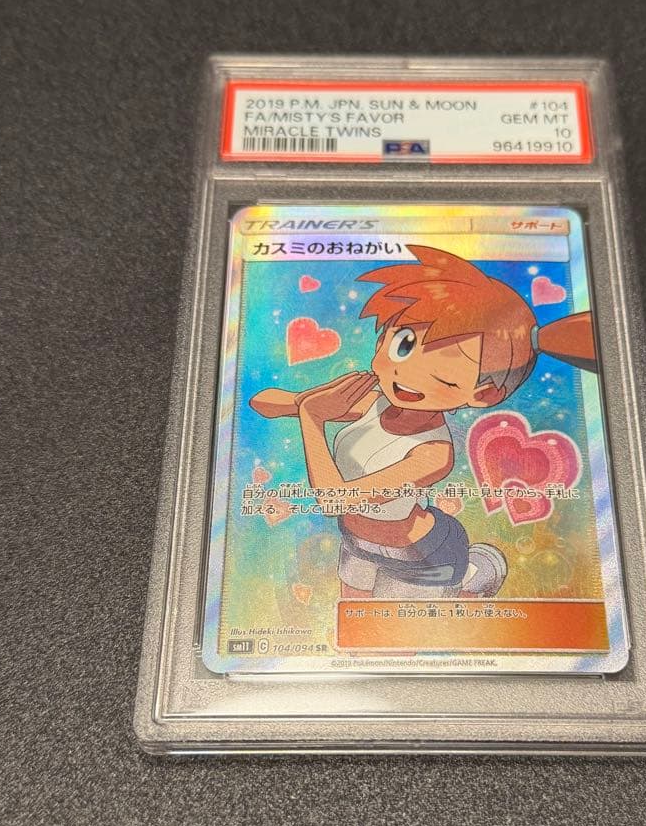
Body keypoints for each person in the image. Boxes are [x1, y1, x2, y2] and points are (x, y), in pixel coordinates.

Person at [250, 245, 598, 598]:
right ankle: (472, 571)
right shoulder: (372, 402)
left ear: (483, 394)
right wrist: (315, 398)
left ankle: (475, 574)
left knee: (401, 630)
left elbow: (336, 501)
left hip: (419, 557)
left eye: (442, 369)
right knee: (352, 622)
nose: (405, 372)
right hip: (355, 543)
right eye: (402, 345)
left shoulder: (434, 453)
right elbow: (263, 402)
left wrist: (312, 416)